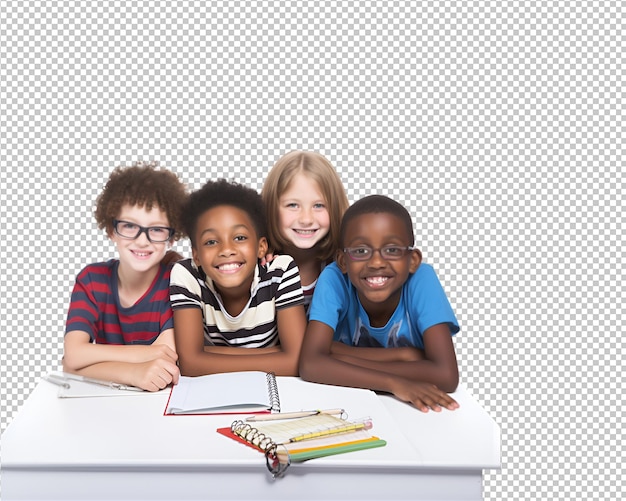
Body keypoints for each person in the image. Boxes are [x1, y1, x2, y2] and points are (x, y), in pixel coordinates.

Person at [299, 195, 461, 412]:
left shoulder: (422, 279)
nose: (376, 262)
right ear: (343, 261)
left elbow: (447, 376)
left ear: (412, 260)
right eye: (360, 251)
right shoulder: (334, 278)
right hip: (343, 405)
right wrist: (395, 377)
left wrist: (339, 354)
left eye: (392, 250)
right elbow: (311, 365)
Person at [63, 161, 186, 391]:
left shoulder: (177, 281)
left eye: (157, 229)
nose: (142, 240)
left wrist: (82, 367)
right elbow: (73, 356)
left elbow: (166, 358)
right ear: (112, 231)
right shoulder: (91, 280)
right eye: (130, 226)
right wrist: (134, 370)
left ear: (171, 238)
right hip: (104, 405)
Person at [170, 178, 307, 376]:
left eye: (240, 238)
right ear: (196, 255)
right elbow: (189, 364)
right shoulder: (186, 275)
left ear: (261, 247)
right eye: (211, 241)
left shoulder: (280, 270)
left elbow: (298, 361)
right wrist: (278, 356)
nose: (226, 250)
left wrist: (205, 355)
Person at [262, 150, 349, 312]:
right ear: (271, 208)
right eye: (293, 205)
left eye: (318, 205)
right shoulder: (260, 266)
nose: (306, 219)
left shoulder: (343, 266)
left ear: (335, 208)